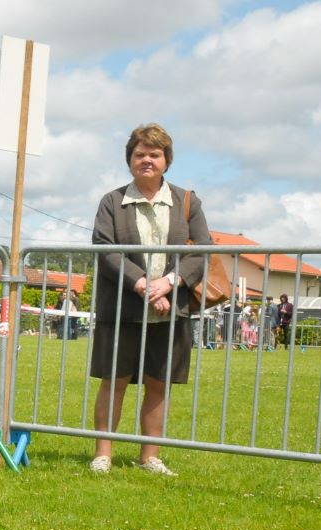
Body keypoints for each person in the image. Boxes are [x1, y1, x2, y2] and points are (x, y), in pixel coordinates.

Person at [89, 123, 212, 477]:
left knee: (159, 382)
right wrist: (142, 284)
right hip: (123, 310)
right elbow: (106, 249)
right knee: (115, 380)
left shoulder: (187, 201)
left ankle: (150, 457)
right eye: (139, 154)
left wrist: (169, 284)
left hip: (171, 309)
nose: (146, 160)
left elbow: (202, 251)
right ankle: (103, 454)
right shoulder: (112, 202)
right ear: (129, 160)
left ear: (166, 161)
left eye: (154, 154)